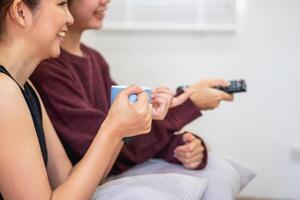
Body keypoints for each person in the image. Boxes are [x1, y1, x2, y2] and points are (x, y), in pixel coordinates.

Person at [31, 0, 234, 175]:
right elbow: (108, 147)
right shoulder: (48, 70)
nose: (106, 1)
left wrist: (178, 147)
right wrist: (189, 104)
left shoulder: (94, 59)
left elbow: (127, 132)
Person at [0, 0, 165, 199]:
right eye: (61, 4)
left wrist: (121, 129)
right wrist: (112, 129)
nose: (69, 18)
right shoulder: (4, 92)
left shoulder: (25, 87)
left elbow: (68, 180)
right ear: (20, 12)